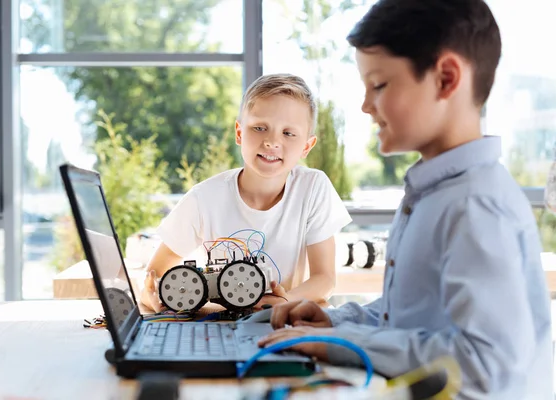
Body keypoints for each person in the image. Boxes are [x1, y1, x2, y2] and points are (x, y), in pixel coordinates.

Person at [258, 1, 553, 399]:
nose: (365, 106)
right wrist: (337, 322)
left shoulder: (476, 204)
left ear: (446, 79)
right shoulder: (436, 192)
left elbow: (486, 366)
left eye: (378, 85)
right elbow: (413, 315)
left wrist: (345, 344)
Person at [140, 73, 352, 313]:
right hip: (221, 326)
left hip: (282, 322)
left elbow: (325, 279)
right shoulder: (204, 198)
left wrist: (284, 300)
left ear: (306, 146)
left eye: (288, 133)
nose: (272, 141)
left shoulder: (313, 187)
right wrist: (153, 295)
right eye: (259, 128)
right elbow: (153, 275)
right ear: (239, 133)